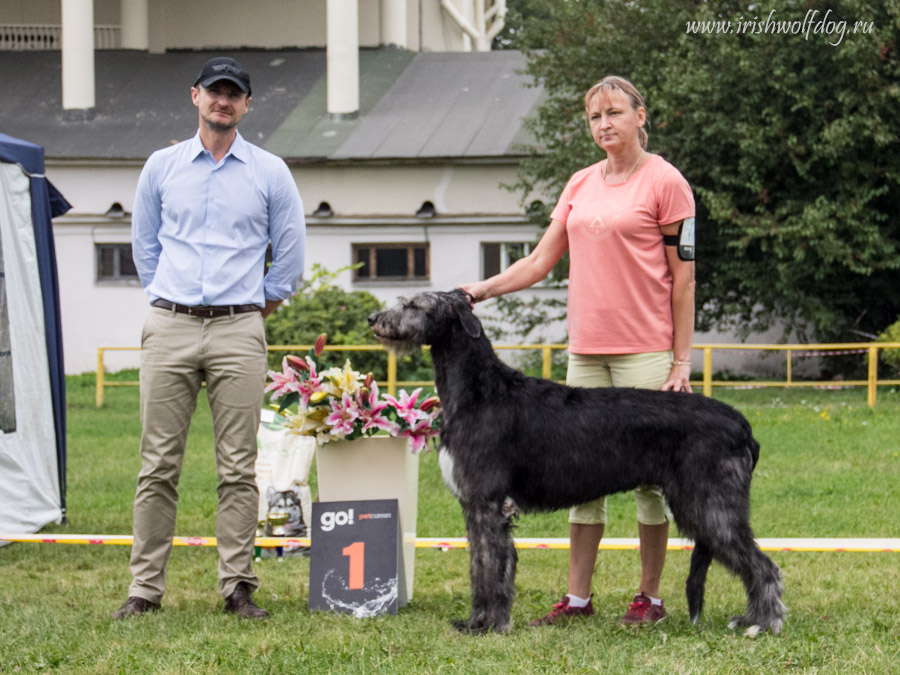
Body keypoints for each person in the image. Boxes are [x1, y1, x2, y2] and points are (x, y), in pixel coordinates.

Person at [460, 75, 695, 627]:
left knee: (650, 480)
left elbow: (683, 281)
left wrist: (681, 361)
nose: (604, 124)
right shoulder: (580, 183)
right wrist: (480, 289)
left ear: (641, 115)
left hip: (646, 351)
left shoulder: (667, 182)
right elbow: (540, 262)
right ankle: (578, 599)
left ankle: (650, 599)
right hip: (587, 351)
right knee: (579, 477)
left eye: (614, 112)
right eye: (595, 117)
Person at [112, 57, 306, 620]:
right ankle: (144, 589)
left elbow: (288, 254)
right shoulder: (161, 166)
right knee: (157, 466)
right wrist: (168, 298)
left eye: (234, 94)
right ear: (194, 96)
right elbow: (144, 246)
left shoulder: (270, 172)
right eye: (214, 92)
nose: (223, 101)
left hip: (238, 328)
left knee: (238, 467)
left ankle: (237, 586)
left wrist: (253, 305)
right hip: (169, 324)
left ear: (247, 105)